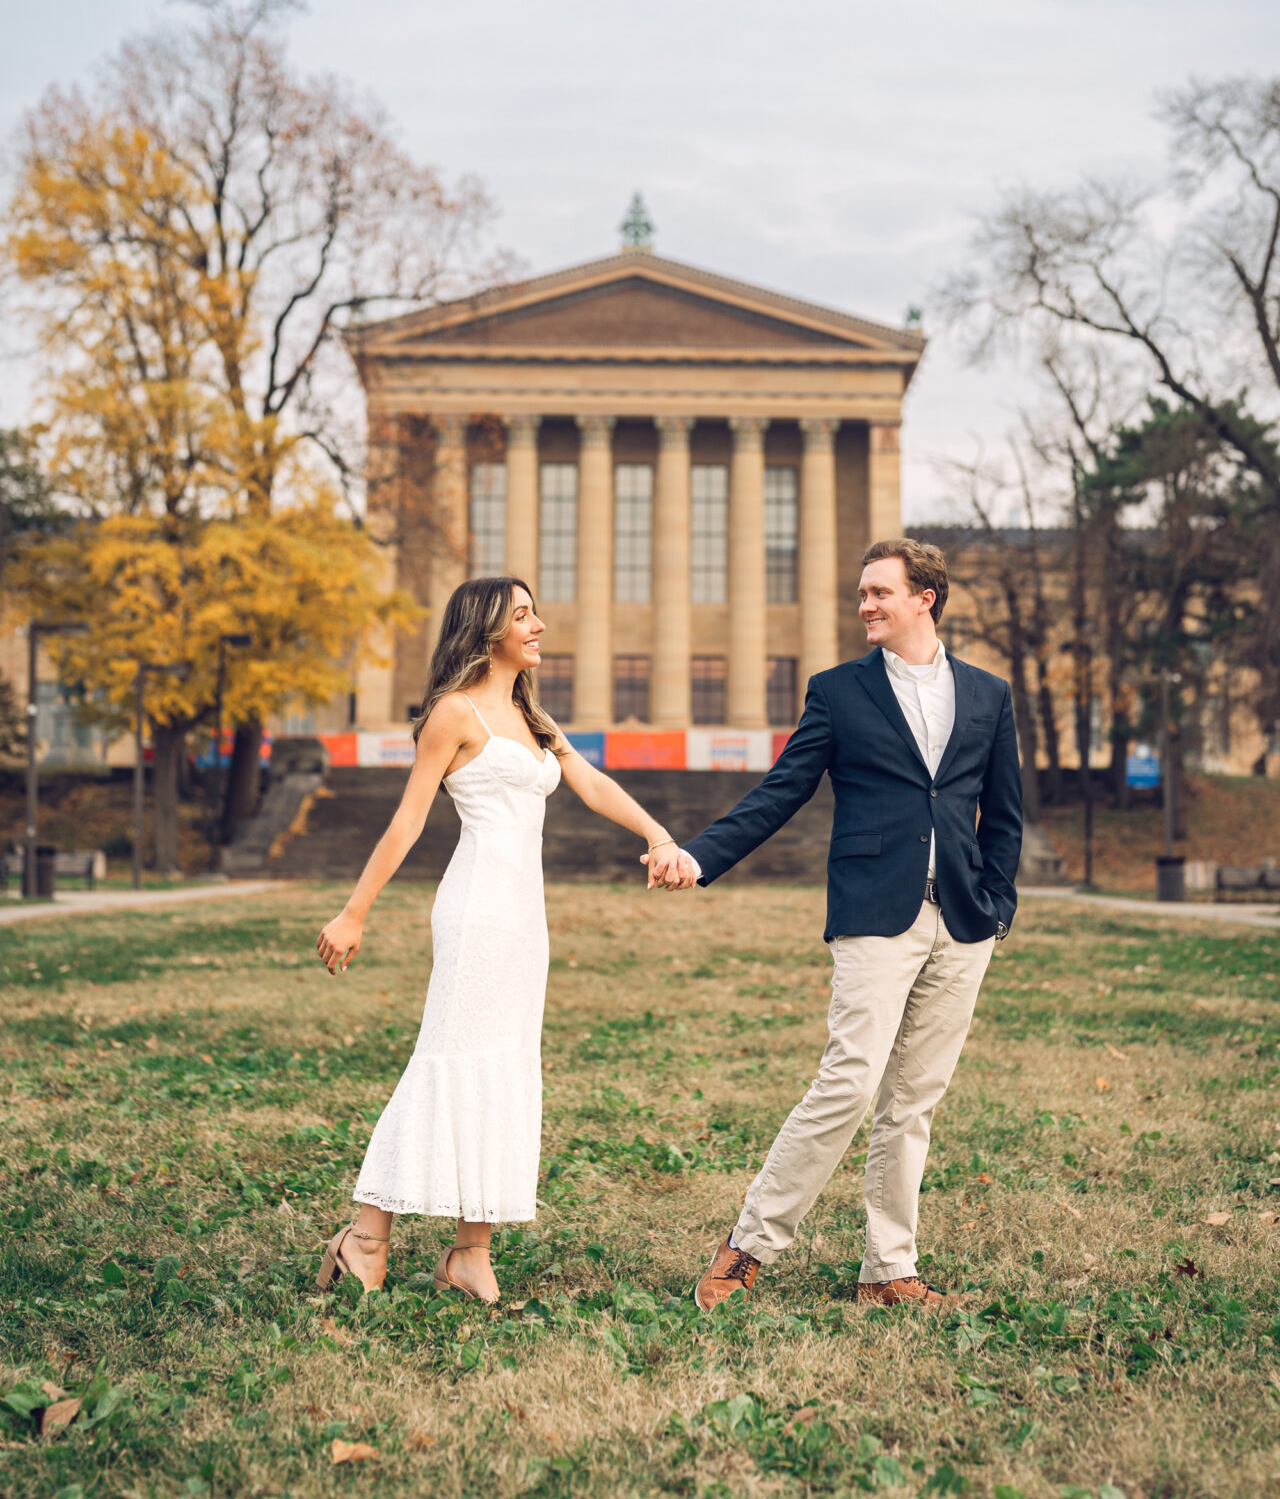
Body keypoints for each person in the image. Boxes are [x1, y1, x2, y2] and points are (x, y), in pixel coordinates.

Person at [650, 538, 1022, 1312]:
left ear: (925, 598)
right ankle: (747, 1244)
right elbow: (780, 791)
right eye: (861, 593)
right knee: (847, 1084)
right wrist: (699, 855)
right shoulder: (838, 692)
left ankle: (889, 1269)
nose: (865, 605)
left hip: (961, 920)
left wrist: (995, 907)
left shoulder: (988, 696)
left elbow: (1005, 815)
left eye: (880, 592)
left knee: (914, 1100)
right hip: (874, 916)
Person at [314, 575, 680, 1305]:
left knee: (505, 1069)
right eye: (523, 615)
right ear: (487, 632)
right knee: (446, 1060)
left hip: (524, 921)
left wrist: (658, 832)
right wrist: (354, 913)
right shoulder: (453, 714)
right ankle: (364, 1236)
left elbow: (590, 782)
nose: (538, 624)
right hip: (476, 907)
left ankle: (470, 1253)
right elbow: (408, 820)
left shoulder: (530, 715)